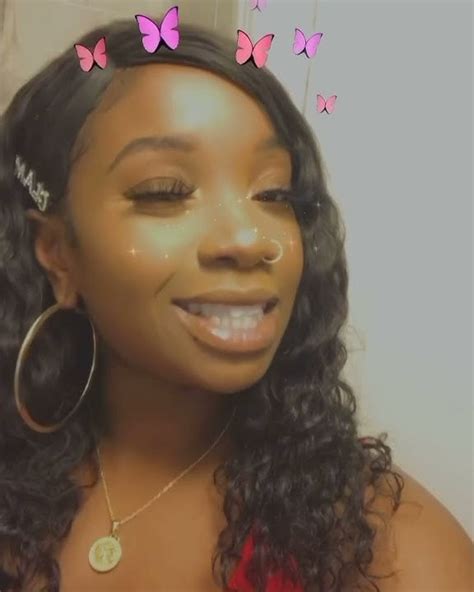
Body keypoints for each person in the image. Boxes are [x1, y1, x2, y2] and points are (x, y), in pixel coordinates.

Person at [0, 14, 472, 592]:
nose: (250, 240)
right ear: (56, 253)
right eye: (165, 192)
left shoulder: (389, 554)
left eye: (274, 194)